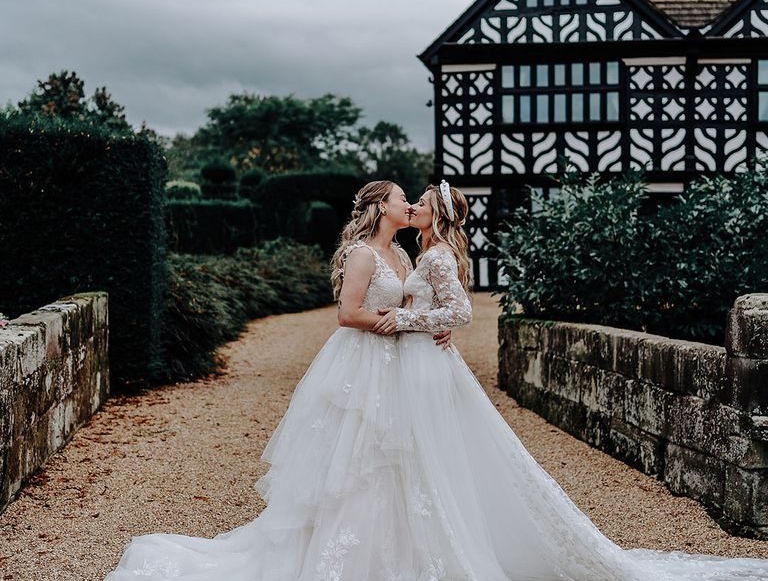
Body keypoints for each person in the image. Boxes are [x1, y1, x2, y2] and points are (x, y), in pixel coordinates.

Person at [368, 179, 768, 581]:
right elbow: (441, 309)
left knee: (434, 447)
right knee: (425, 448)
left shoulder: (437, 256)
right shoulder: (427, 253)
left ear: (436, 214)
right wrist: (422, 318)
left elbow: (462, 313)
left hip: (427, 363)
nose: (414, 207)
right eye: (412, 202)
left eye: (421, 203)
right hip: (419, 358)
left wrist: (405, 320)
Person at [102, 179, 448, 580]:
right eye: (402, 198)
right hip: (361, 362)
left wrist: (433, 323)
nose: (408, 205)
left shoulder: (403, 256)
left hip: (396, 364)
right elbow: (348, 314)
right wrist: (399, 323)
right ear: (380, 207)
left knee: (391, 455)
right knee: (353, 457)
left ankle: (388, 553)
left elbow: (413, 306)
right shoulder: (362, 255)